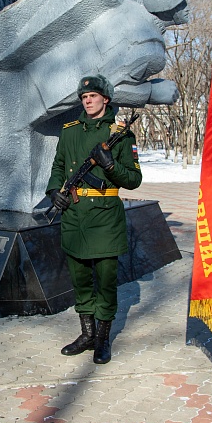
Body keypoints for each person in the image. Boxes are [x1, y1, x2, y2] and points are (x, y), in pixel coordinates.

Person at [45, 75, 142, 364]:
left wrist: (110, 165)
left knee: (106, 282)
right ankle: (86, 334)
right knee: (80, 280)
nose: (87, 101)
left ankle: (102, 338)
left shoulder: (121, 134)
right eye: (84, 97)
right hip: (74, 216)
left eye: (93, 96)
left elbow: (133, 179)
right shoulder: (70, 131)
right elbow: (59, 166)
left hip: (105, 218)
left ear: (105, 99)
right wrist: (54, 192)